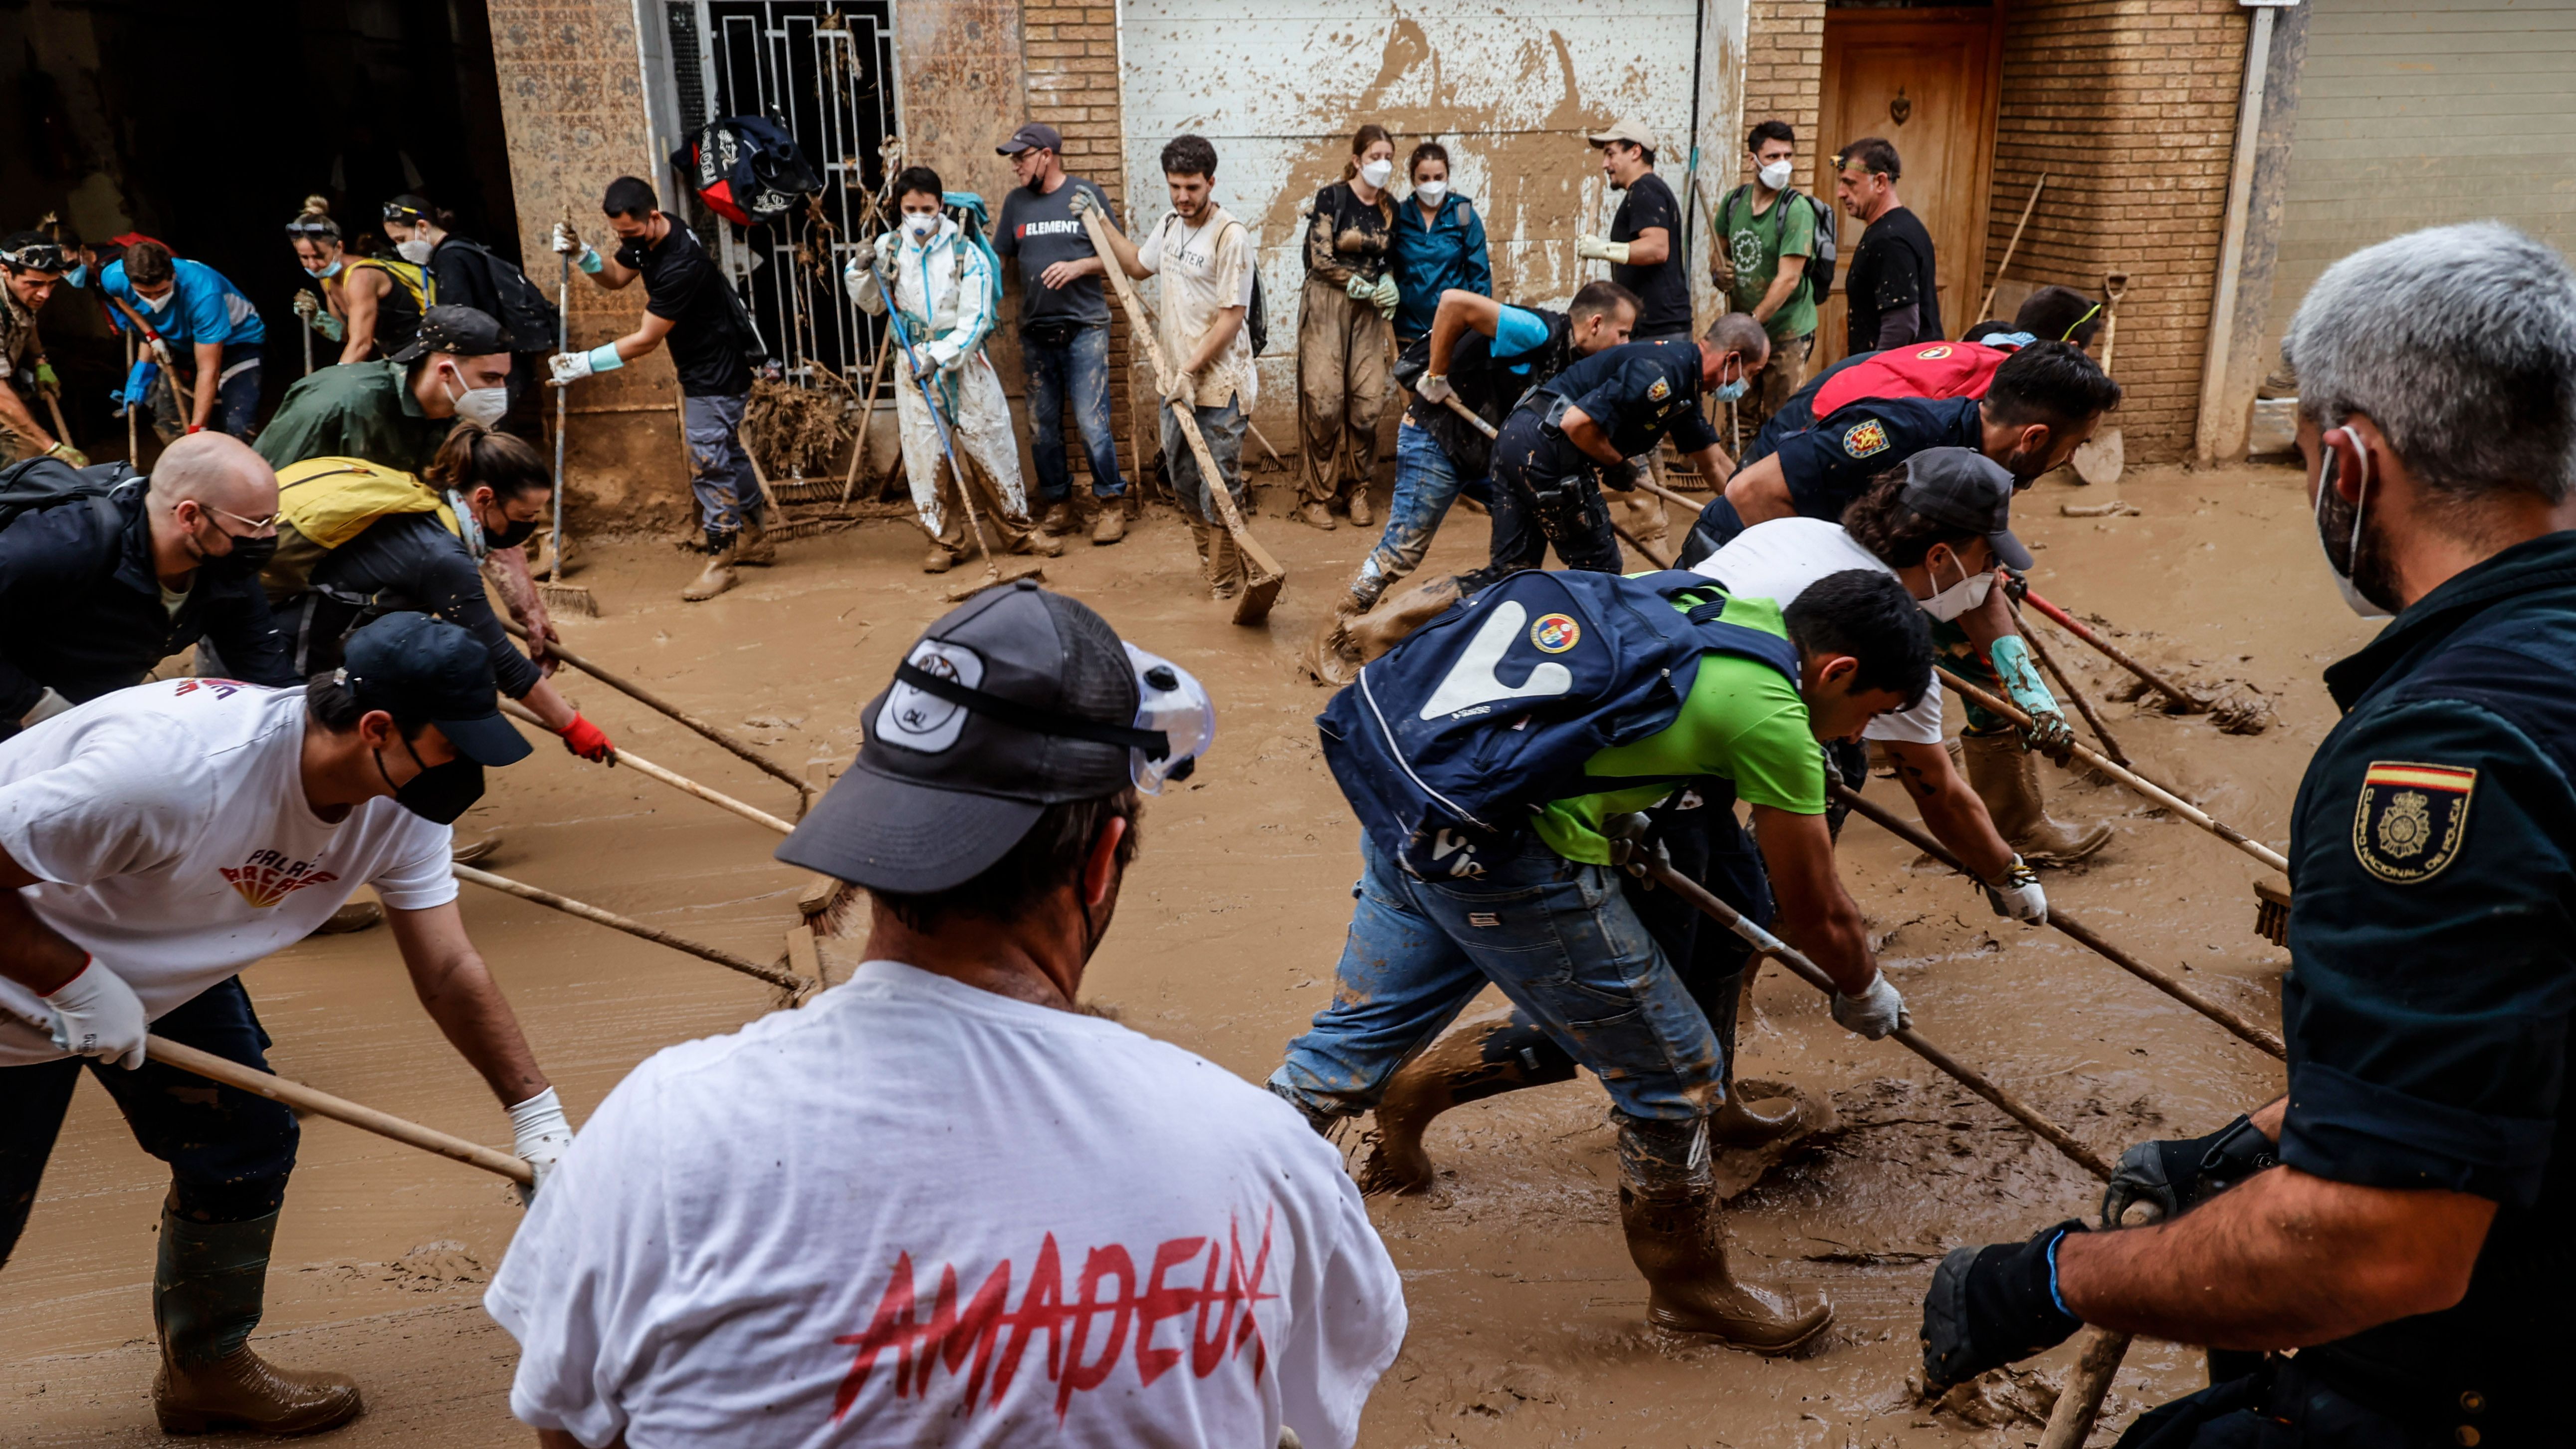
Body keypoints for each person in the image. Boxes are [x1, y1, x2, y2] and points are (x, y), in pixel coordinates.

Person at [1918, 222, 2576, 1449]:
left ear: (2346, 464)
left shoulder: (2443, 753)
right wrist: (2245, 1141)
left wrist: (2058, 1275)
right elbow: (2519, 1023)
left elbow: (2380, 1243)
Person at [487, 582, 1406, 1447]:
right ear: (1101, 860)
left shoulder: (655, 1127)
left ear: (875, 840)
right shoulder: (1259, 1155)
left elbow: (565, 1422)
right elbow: (1314, 1398)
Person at [1278, 567, 1932, 1353]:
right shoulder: (1774, 719)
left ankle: (1209, 1222)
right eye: (1871, 715)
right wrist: (1862, 989)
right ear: (1839, 672)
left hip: (1411, 808)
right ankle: (1689, 1288)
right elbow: (1818, 911)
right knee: (1673, 1069)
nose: (1860, 738)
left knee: (1343, 1053)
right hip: (1500, 853)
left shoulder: (1717, 606)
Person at [1358, 451, 2050, 1195]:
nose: (1995, 582)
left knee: (1736, 917)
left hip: (1675, 751)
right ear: (1944, 555)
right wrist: (1997, 882)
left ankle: (1713, 1105)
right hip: (1630, 767)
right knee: (1638, 1003)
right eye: (1987, 561)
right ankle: (1421, 1091)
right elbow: (1930, 791)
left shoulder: (1809, 536)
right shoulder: (1877, 631)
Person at [0, 610, 571, 1436]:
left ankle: (206, 1370)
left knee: (242, 1145)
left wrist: (537, 1117)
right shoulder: (177, 769)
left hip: (154, 952)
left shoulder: (401, 799)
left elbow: (447, 967)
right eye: (457, 747)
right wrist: (79, 982)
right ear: (377, 727)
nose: (470, 776)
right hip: (21, 957)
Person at [1721, 343, 2122, 863]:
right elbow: (1751, 492)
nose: (2072, 460)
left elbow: (1975, 580)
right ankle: (1787, 898)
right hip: (1765, 559)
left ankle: (2009, 820)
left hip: (1874, 568)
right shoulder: (1900, 434)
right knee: (1822, 756)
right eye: (2076, 446)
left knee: (1971, 664)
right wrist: (1849, 611)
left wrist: (2024, 681)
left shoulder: (1995, 466)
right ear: (2035, 437)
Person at [263, 424, 612, 763]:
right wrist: (573, 726)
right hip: (286, 648)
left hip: (307, 634)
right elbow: (504, 663)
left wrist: (531, 613)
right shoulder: (442, 556)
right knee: (295, 755)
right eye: (526, 515)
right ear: (485, 499)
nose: (530, 527)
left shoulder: (432, 510)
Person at [1343, 280, 1639, 620]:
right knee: (1402, 551)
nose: (1626, 345)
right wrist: (1437, 376)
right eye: (1624, 334)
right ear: (1597, 324)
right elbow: (1453, 302)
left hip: (1494, 456)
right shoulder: (1537, 331)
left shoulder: (1578, 363)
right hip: (1439, 441)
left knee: (1518, 559)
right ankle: (1340, 627)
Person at [551, 177, 774, 602]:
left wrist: (583, 364)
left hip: (716, 372)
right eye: (619, 234)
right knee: (725, 451)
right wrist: (584, 256)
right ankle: (753, 537)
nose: (625, 240)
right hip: (700, 363)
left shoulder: (681, 265)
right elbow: (617, 277)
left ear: (653, 217)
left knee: (708, 461)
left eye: (629, 233)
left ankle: (722, 561)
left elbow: (645, 340)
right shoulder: (649, 234)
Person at [0, 434, 298, 739]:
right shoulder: (64, 544)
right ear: (190, 516)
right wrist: (34, 705)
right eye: (256, 524)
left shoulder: (224, 567)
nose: (269, 537)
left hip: (91, 708)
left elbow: (266, 670)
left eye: (273, 520)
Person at [846, 165, 1057, 576]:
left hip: (963, 363)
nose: (920, 216)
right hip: (912, 364)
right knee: (927, 456)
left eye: (928, 207)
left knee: (991, 445)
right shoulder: (889, 250)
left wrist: (941, 356)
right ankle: (945, 542)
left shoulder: (966, 252)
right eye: (912, 208)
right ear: (899, 208)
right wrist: (858, 270)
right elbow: (873, 303)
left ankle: (1018, 532)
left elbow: (976, 318)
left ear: (940, 205)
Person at [1083, 136, 1260, 602]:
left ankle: (1225, 585)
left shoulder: (1230, 236)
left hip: (1221, 384)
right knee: (1183, 480)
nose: (1183, 197)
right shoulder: (1170, 223)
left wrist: (1191, 367)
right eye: (1175, 186)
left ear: (1211, 183)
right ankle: (1215, 566)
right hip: (1176, 381)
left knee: (1218, 485)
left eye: (1193, 188)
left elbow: (1231, 317)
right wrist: (1101, 219)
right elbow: (1139, 266)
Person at [1468, 319, 1768, 591]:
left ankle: (1443, 609)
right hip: (1546, 447)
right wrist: (1616, 463)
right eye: (1751, 374)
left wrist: (1756, 515)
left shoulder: (1683, 381)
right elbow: (1577, 423)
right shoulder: (1662, 373)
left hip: (1518, 437)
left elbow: (1713, 462)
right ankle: (1583, 646)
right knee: (1600, 568)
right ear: (1733, 359)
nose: (1746, 384)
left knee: (1510, 573)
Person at [995, 121, 1132, 546]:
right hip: (1036, 330)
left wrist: (1078, 267)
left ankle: (1111, 504)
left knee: (1092, 422)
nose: (1016, 166)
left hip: (1085, 327)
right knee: (1042, 425)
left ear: (1046, 157)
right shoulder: (1016, 203)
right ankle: (1059, 504)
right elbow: (999, 260)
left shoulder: (1083, 197)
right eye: (1014, 158)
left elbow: (1118, 258)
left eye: (1022, 157)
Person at [1295, 124, 1400, 532]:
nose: (1382, 165)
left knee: (1369, 404)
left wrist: (1388, 280)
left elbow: (1392, 256)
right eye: (1375, 157)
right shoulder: (1332, 197)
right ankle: (1316, 495)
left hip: (1370, 311)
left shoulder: (1392, 206)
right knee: (1324, 401)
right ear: (1357, 160)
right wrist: (1353, 282)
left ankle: (1357, 489)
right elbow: (1319, 257)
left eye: (1388, 156)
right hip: (1327, 303)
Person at [384, 195, 555, 440]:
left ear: (422, 226)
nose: (401, 248)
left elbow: (458, 322)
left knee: (486, 433)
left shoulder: (450, 258)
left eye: (401, 239)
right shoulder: (463, 248)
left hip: (487, 360)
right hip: (501, 356)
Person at [100, 242, 268, 441]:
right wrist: (151, 335)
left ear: (173, 275)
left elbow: (208, 369)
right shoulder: (113, 277)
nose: (154, 300)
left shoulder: (204, 293)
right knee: (170, 422)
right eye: (145, 294)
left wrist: (197, 428)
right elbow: (120, 299)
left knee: (238, 427)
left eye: (162, 292)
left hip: (237, 343)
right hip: (182, 343)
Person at [1715, 121, 1820, 436]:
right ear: (1753, 160)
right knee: (1741, 418)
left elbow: (1788, 280)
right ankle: (1736, 482)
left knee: (1781, 419)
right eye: (1773, 156)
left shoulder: (1797, 210)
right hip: (1746, 329)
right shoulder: (1733, 203)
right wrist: (1719, 274)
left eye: (1788, 155)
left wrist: (1750, 324)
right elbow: (1719, 256)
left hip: (1786, 332)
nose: (1782, 164)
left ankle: (1775, 484)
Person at [285, 198, 430, 366]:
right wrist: (317, 318)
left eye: (318, 256)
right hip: (395, 359)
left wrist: (334, 382)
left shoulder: (360, 278)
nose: (312, 265)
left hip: (423, 355)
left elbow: (361, 344)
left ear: (339, 248)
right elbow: (347, 334)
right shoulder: (326, 278)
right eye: (304, 257)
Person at [1581, 118, 1691, 341]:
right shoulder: (1645, 191)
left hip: (1659, 331)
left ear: (1635, 152)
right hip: (1658, 328)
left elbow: (1657, 248)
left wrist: (1604, 249)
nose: (1605, 164)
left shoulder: (1645, 189)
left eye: (1611, 154)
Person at [1835, 138, 1939, 353]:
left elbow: (1902, 325)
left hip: (1897, 376)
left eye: (1851, 183)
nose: (1841, 193)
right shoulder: (1897, 226)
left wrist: (1875, 376)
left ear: (1880, 182)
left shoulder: (1890, 239)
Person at [1387, 141, 1491, 347]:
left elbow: (1480, 277)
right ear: (1413, 179)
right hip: (1406, 333)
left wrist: (1476, 329)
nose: (1432, 184)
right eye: (1424, 178)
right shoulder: (1398, 216)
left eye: (1438, 177)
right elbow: (1386, 264)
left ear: (1448, 177)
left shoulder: (1463, 216)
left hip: (1454, 332)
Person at [0, 232, 79, 466]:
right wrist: (52, 447)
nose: (45, 294)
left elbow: (27, 321)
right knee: (26, 451)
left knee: (28, 449)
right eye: (35, 284)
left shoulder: (22, 293)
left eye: (52, 284)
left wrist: (40, 360)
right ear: (5, 271)